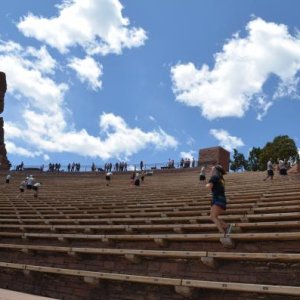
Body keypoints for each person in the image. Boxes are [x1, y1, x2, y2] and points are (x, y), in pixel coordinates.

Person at [206, 164, 232, 235]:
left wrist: (206, 185)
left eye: (212, 169)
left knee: (213, 217)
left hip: (217, 199)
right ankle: (227, 226)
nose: (211, 171)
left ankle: (222, 232)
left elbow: (209, 186)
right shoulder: (221, 179)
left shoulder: (214, 177)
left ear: (215, 171)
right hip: (221, 199)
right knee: (212, 217)